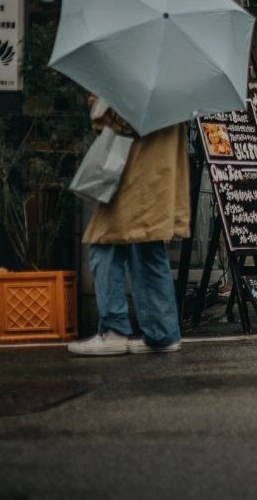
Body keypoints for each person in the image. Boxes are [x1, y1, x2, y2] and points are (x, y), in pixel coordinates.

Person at [68, 96, 190, 355]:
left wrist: (100, 107)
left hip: (134, 175)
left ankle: (114, 330)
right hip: (158, 176)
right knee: (148, 249)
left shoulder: (141, 83)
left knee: (104, 243)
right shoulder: (175, 85)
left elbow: (127, 122)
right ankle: (162, 332)